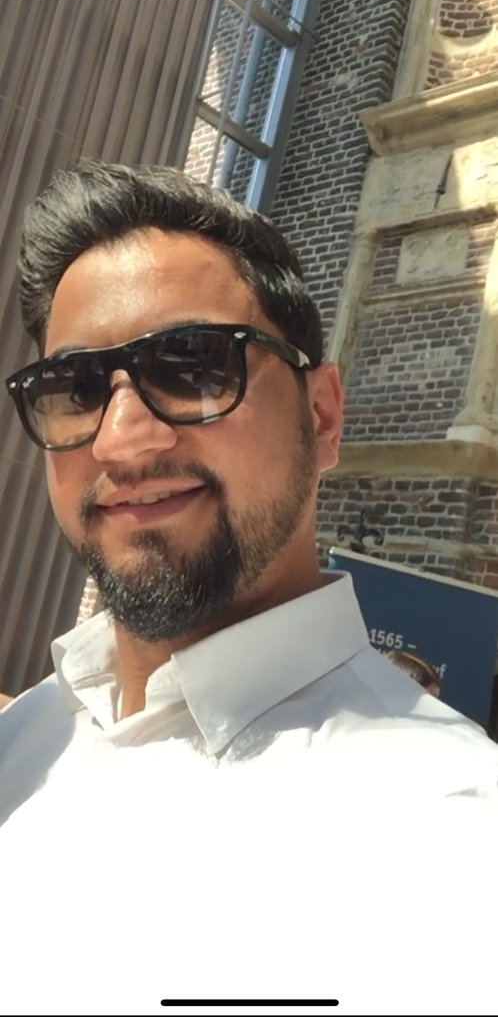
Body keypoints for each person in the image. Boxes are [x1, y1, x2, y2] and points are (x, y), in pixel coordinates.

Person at [1, 161, 497, 1017]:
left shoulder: (449, 831)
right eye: (76, 388)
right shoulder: (25, 743)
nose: (122, 442)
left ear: (322, 417)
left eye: (193, 365)